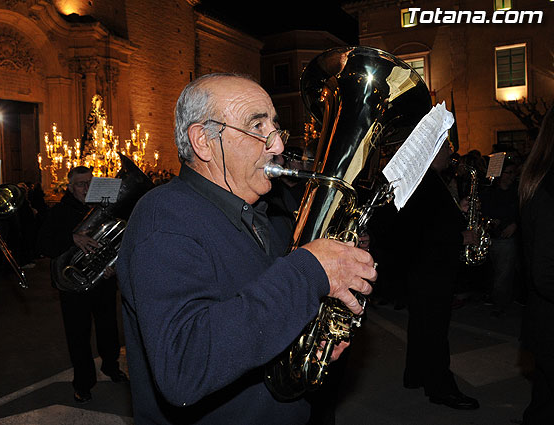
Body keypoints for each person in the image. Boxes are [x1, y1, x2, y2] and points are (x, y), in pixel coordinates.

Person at [116, 73, 376, 425]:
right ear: (204, 141)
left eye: (276, 129)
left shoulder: (267, 213)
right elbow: (184, 368)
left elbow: (255, 317)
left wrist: (305, 349)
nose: (279, 147)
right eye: (257, 127)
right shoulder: (163, 218)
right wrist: (311, 270)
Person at [398, 140, 480, 410]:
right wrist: (461, 237)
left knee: (422, 326)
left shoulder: (427, 180)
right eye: (445, 148)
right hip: (431, 272)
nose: (449, 153)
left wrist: (461, 210)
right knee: (435, 331)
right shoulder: (426, 184)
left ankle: (416, 375)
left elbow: (433, 223)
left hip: (424, 271)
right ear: (432, 152)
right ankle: (441, 388)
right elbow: (424, 234)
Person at [36, 166, 128, 404]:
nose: (86, 188)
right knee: (78, 335)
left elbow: (117, 242)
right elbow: (43, 244)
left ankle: (111, 366)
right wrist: (72, 238)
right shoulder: (58, 212)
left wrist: (112, 265)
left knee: (109, 328)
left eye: (89, 183)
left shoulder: (104, 209)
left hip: (102, 281)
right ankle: (83, 383)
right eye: (80, 184)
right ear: (69, 187)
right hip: (73, 285)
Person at [518, 105, 554, 425]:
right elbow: (545, 271)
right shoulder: (550, 185)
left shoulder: (537, 177)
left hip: (542, 318)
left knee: (544, 402)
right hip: (549, 319)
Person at [480, 159, 520, 316]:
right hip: (492, 237)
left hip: (506, 240)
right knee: (495, 272)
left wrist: (514, 224)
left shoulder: (516, 192)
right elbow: (486, 210)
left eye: (513, 172)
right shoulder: (490, 192)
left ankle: (500, 304)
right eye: (508, 172)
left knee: (503, 275)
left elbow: (521, 211)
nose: (512, 176)